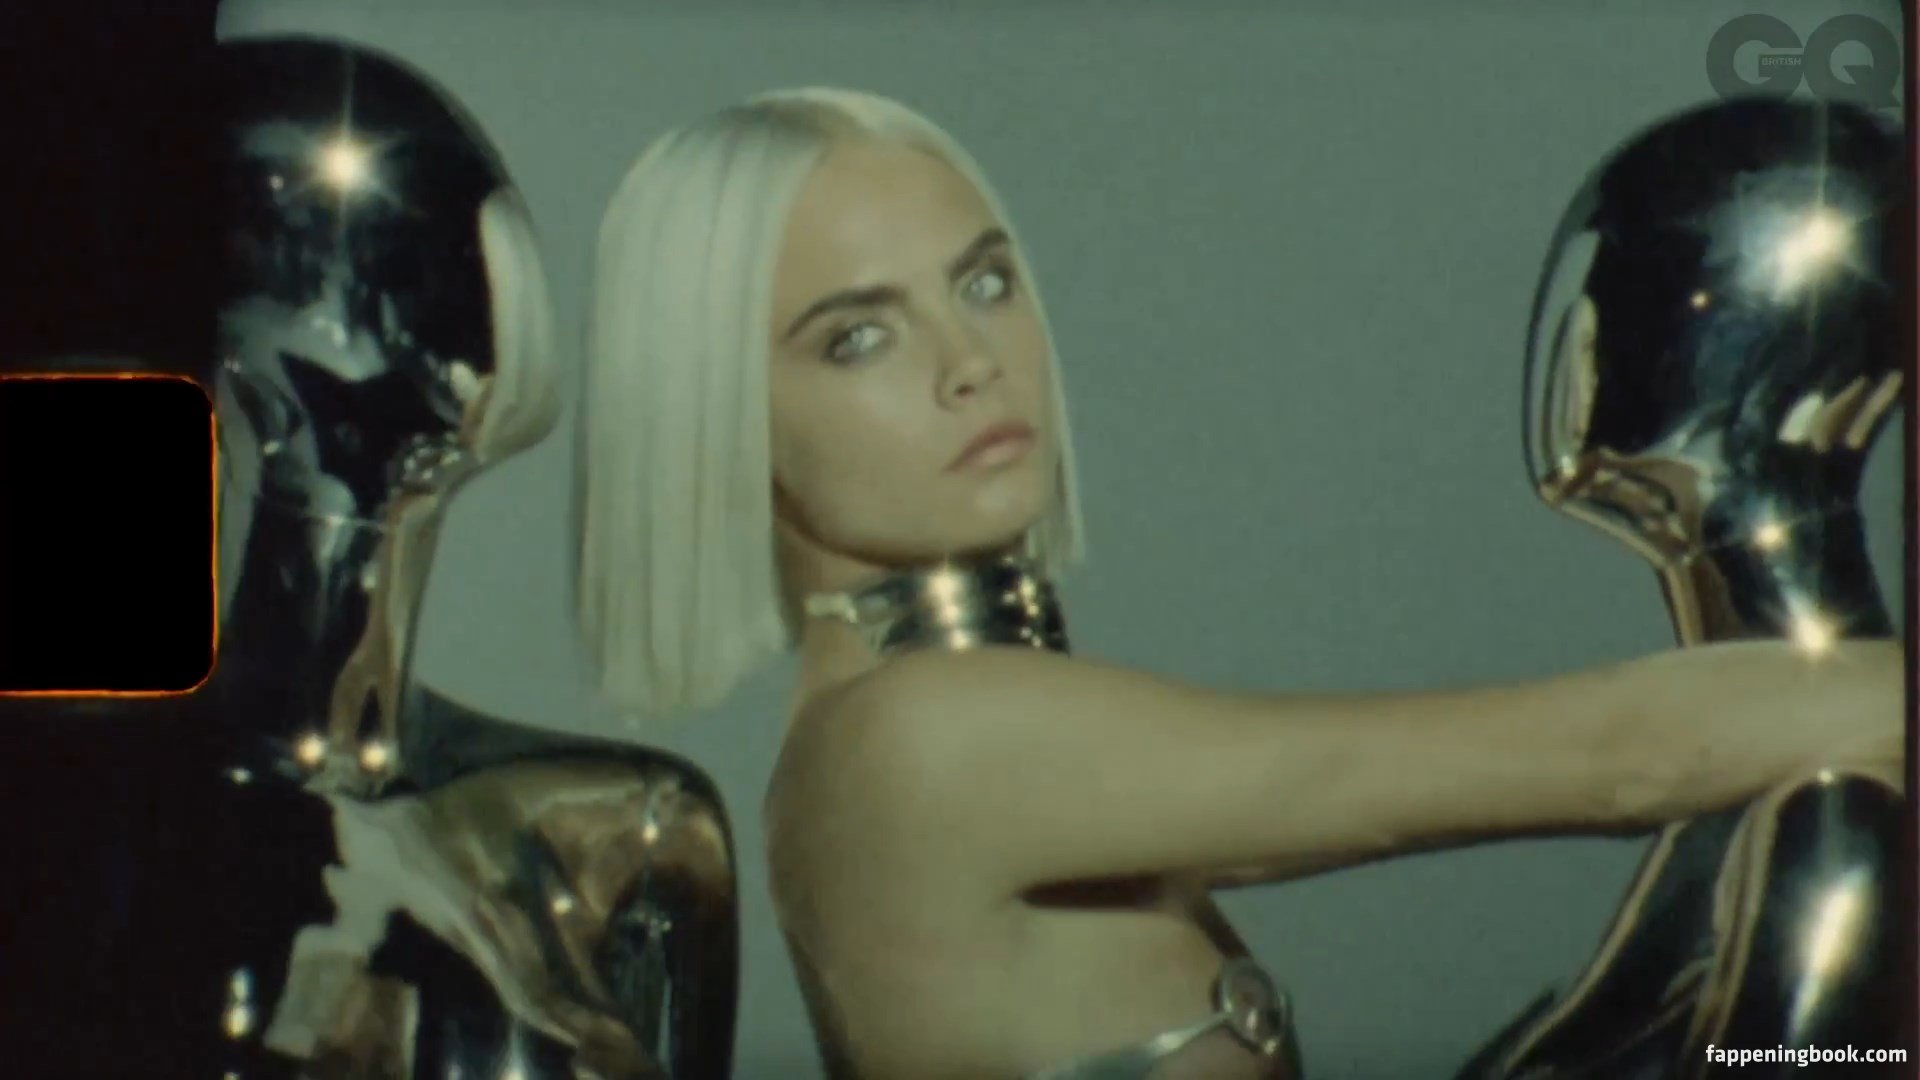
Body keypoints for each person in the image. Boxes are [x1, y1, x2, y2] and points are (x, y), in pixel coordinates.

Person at [572, 88, 1905, 1079]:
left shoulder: (904, 729)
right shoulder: (914, 743)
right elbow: (1616, 763)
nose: (970, 360)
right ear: (715, 422)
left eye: (983, 281)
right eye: (857, 337)